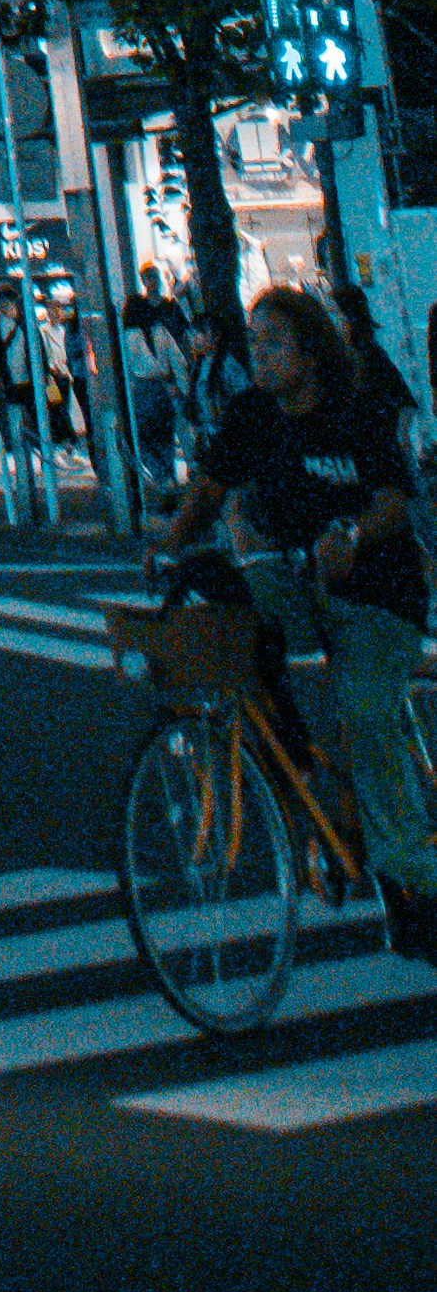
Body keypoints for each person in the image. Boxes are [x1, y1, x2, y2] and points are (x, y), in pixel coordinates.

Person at [160, 276, 435, 959]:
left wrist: (349, 535)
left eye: (272, 341)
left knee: (366, 713)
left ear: (310, 352)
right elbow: (206, 490)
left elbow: (393, 501)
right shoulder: (253, 412)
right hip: (299, 579)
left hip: (378, 595)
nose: (258, 353)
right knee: (236, 619)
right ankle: (304, 780)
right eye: (252, 340)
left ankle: (409, 877)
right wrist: (165, 545)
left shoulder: (357, 409)